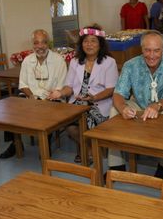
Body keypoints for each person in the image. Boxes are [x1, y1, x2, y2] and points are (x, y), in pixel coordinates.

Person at [107, 30, 163, 180]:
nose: (151, 55)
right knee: (113, 112)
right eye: (147, 50)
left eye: (156, 50)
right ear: (141, 49)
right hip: (138, 103)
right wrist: (123, 108)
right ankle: (116, 165)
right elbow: (118, 93)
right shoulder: (130, 65)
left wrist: (157, 106)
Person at [47, 25, 118, 162]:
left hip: (99, 103)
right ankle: (89, 148)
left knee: (88, 120)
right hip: (77, 103)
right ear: (81, 44)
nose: (89, 44)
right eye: (86, 41)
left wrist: (94, 97)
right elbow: (69, 86)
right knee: (69, 126)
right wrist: (60, 93)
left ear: (100, 44)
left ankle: (88, 150)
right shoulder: (75, 61)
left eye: (93, 41)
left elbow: (111, 89)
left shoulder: (109, 62)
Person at [0, 29, 67, 159]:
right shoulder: (27, 61)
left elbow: (60, 87)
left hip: (51, 98)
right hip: (30, 97)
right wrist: (31, 97)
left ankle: (44, 145)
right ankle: (15, 143)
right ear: (33, 44)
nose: (40, 46)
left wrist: (44, 100)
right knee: (11, 110)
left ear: (49, 44)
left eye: (43, 42)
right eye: (36, 43)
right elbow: (23, 84)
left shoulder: (59, 61)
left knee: (47, 114)